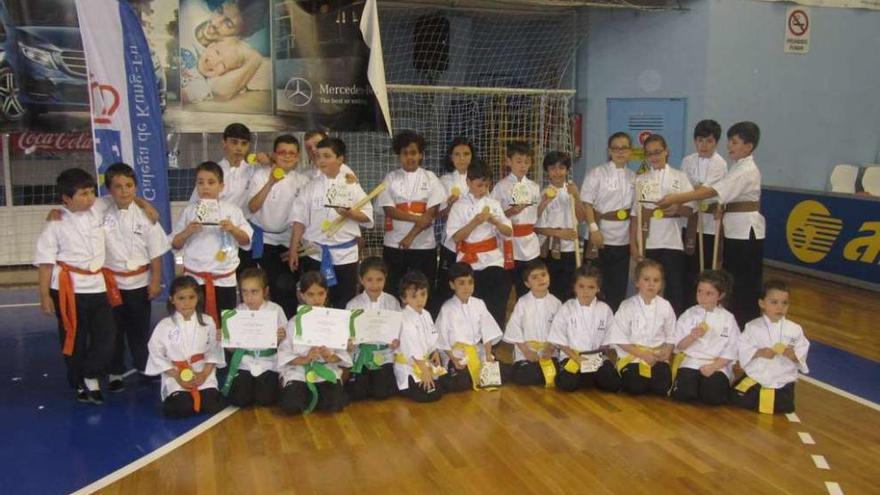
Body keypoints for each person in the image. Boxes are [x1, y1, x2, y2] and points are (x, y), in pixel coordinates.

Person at [656, 122, 765, 327]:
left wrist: (678, 197)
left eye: (734, 142)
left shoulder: (744, 169)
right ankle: (735, 323)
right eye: (729, 142)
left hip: (745, 231)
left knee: (744, 283)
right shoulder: (738, 166)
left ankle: (745, 325)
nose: (729, 146)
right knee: (733, 278)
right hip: (734, 229)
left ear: (748, 146)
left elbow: (712, 191)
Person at [36, 168, 117, 404]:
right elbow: (45, 263)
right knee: (75, 337)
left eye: (92, 192)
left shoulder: (98, 208)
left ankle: (90, 372)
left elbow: (122, 196)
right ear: (66, 198)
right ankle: (79, 382)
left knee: (107, 335)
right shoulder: (56, 224)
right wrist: (44, 296)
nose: (89, 198)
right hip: (68, 289)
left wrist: (147, 206)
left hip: (98, 286)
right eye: (83, 194)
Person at [101, 163, 171, 391]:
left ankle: (143, 365)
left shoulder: (146, 216)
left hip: (140, 282)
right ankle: (115, 371)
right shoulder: (100, 211)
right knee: (113, 330)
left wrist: (155, 280)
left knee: (139, 329)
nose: (124, 191)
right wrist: (58, 212)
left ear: (136, 187)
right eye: (118, 186)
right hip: (111, 283)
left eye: (129, 186)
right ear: (109, 190)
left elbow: (156, 252)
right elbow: (76, 207)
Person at [289, 137, 374, 308]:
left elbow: (368, 217)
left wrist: (351, 214)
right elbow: (299, 220)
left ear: (340, 159)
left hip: (345, 256)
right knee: (315, 302)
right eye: (319, 156)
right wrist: (293, 250)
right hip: (315, 253)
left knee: (345, 302)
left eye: (327, 156)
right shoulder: (310, 187)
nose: (321, 160)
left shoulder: (352, 186)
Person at [172, 161, 253, 327]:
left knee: (226, 326)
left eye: (211, 182)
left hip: (224, 277)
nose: (205, 187)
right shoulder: (189, 211)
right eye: (200, 182)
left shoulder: (233, 211)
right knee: (196, 324)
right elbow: (175, 243)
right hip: (195, 279)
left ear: (221, 186)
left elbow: (246, 240)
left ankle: (225, 353)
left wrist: (233, 229)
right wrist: (188, 231)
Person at [378, 130, 445, 305]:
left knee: (422, 290)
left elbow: (430, 213)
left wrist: (410, 236)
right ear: (399, 156)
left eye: (414, 153)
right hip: (394, 245)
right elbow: (389, 211)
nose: (410, 157)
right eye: (405, 153)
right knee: (393, 290)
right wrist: (418, 219)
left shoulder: (431, 178)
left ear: (421, 154)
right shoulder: (390, 178)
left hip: (424, 246)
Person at [630, 134, 694, 315]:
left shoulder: (680, 177)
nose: (654, 157)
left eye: (658, 152)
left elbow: (691, 210)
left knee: (674, 288)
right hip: (648, 242)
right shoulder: (641, 179)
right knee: (647, 289)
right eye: (649, 154)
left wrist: (677, 209)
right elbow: (636, 215)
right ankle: (646, 322)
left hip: (672, 242)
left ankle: (674, 328)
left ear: (667, 151)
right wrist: (634, 245)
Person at [247, 134, 310, 317]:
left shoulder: (302, 181)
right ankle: (274, 327)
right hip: (265, 240)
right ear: (274, 154)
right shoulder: (260, 175)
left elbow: (304, 216)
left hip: (290, 240)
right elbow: (252, 207)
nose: (287, 156)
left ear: (298, 157)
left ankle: (290, 326)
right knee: (276, 285)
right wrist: (271, 182)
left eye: (292, 153)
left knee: (291, 285)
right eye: (282, 152)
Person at [145, 276, 226, 418]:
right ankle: (177, 396)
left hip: (201, 370)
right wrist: (177, 376)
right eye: (181, 298)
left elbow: (214, 349)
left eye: (191, 297)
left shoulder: (208, 321)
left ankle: (203, 393)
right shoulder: (165, 325)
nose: (187, 303)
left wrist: (204, 374)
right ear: (172, 299)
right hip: (176, 372)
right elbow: (155, 352)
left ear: (198, 298)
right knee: (182, 408)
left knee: (212, 405)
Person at [445, 160, 513, 327]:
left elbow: (508, 232)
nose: (483, 190)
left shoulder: (494, 205)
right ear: (468, 182)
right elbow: (455, 237)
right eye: (479, 185)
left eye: (486, 185)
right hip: (467, 261)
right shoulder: (459, 206)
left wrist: (495, 222)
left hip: (492, 260)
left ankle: (492, 343)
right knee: (470, 304)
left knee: (495, 302)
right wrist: (474, 222)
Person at [188, 123, 259, 273]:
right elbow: (196, 205)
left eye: (244, 144)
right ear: (224, 143)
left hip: (240, 233)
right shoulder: (213, 173)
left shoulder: (253, 170)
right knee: (217, 277)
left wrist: (269, 159)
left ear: (249, 147)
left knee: (245, 281)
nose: (239, 148)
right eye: (234, 142)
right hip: (214, 235)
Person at [277, 271, 351, 414]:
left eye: (320, 293)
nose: (316, 299)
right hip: (300, 371)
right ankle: (304, 394)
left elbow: (342, 354)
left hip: (326, 369)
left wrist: (331, 357)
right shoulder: (293, 323)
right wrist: (305, 358)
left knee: (334, 406)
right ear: (302, 295)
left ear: (326, 293)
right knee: (290, 406)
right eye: (310, 294)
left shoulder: (336, 320)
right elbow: (284, 354)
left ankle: (315, 396)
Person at [731, 280, 809, 414]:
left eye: (784, 303)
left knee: (784, 407)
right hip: (757, 376)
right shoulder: (752, 326)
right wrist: (758, 352)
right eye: (774, 302)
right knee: (734, 398)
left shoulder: (795, 329)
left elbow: (801, 353)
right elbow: (742, 348)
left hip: (782, 379)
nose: (780, 307)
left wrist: (793, 356)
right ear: (762, 303)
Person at [580, 132, 636, 312]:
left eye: (624, 148)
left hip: (623, 240)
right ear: (609, 151)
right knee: (593, 287)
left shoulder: (634, 177)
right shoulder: (597, 173)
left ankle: (612, 330)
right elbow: (587, 203)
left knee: (617, 290)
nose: (620, 152)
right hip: (599, 238)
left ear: (630, 151)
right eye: (616, 148)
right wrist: (594, 229)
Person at [606, 259, 676, 396]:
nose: (651, 284)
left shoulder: (665, 306)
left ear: (661, 284)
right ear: (637, 282)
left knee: (661, 386)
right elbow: (619, 338)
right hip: (633, 356)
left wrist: (667, 351)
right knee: (635, 387)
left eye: (656, 280)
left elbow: (671, 335)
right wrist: (642, 354)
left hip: (656, 357)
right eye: (646, 279)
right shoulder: (627, 306)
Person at [670, 270, 739, 406]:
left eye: (709, 293)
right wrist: (691, 337)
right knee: (683, 394)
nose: (703, 297)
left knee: (713, 397)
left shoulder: (728, 319)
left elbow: (731, 350)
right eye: (699, 291)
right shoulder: (689, 314)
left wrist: (714, 367)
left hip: (717, 364)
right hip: (692, 361)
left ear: (721, 295)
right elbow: (678, 346)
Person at [549, 266, 621, 392]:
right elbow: (559, 339)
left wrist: (592, 359)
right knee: (566, 384)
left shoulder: (605, 310)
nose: (586, 291)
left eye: (591, 287)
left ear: (598, 288)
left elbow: (608, 342)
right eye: (581, 286)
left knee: (613, 384)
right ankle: (587, 378)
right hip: (572, 356)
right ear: (574, 287)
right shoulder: (567, 308)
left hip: (596, 357)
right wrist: (577, 359)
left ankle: (588, 377)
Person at [222, 268, 287, 407]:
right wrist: (225, 340)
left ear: (265, 291)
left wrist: (280, 338)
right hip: (244, 363)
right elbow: (231, 350)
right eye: (244, 292)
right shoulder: (236, 313)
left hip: (269, 362)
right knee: (240, 400)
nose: (249, 297)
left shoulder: (275, 310)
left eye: (254, 292)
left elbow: (285, 345)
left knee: (265, 400)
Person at [436, 262, 503, 392]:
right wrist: (453, 359)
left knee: (501, 374)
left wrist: (488, 356)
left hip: (477, 351)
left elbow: (488, 331)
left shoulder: (479, 304)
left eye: (470, 282)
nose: (467, 287)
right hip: (456, 355)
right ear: (452, 285)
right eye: (461, 283)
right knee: (460, 382)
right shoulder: (447, 309)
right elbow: (441, 339)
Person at [680, 120, 727, 303]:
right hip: (690, 221)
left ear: (716, 142)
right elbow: (686, 187)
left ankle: (707, 303)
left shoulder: (720, 164)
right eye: (699, 140)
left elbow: (706, 191)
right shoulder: (687, 161)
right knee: (688, 268)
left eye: (709, 141)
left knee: (707, 267)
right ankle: (687, 305)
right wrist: (696, 189)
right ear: (694, 141)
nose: (703, 145)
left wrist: (696, 189)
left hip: (709, 224)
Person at [344, 257, 401, 401]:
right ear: (361, 280)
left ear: (385, 279)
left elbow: (399, 329)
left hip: (384, 354)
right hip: (361, 353)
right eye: (369, 280)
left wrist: (395, 342)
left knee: (381, 393)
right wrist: (349, 343)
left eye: (379, 279)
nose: (374, 285)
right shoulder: (353, 305)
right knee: (358, 394)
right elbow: (346, 333)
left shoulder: (392, 301)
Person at [491, 141, 541, 297]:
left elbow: (536, 216)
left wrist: (544, 203)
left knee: (528, 292)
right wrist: (511, 212)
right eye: (518, 161)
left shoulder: (534, 187)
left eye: (526, 162)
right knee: (504, 291)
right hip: (509, 244)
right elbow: (492, 217)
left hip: (530, 245)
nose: (523, 166)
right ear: (508, 161)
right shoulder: (501, 187)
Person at [535, 151, 586, 301]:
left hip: (571, 249)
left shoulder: (572, 191)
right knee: (553, 292)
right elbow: (535, 227)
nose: (557, 172)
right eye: (553, 168)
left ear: (567, 170)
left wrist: (576, 196)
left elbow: (582, 218)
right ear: (547, 171)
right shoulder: (543, 194)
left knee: (571, 292)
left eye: (561, 168)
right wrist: (558, 233)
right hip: (550, 250)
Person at [503, 259, 562, 386]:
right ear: (527, 283)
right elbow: (515, 328)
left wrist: (551, 348)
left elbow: (560, 330)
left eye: (543, 275)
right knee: (527, 375)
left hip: (549, 352)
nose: (541, 279)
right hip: (526, 353)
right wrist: (526, 351)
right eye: (534, 277)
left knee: (558, 374)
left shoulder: (556, 303)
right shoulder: (523, 303)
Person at [393, 271, 446, 402]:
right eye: (414, 296)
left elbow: (432, 336)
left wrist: (434, 352)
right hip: (409, 366)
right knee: (431, 394)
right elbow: (413, 349)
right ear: (404, 298)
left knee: (445, 384)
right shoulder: (404, 319)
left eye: (423, 294)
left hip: (425, 362)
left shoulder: (426, 314)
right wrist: (425, 372)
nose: (420, 300)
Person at [435, 137, 475, 307]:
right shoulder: (444, 181)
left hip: (474, 241)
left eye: (466, 154)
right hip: (451, 242)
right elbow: (439, 214)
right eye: (457, 154)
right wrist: (450, 205)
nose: (462, 158)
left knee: (469, 285)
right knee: (446, 287)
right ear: (451, 158)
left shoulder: (479, 179)